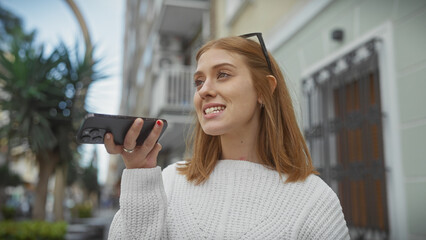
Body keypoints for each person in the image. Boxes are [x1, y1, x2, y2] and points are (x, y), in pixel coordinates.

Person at [105, 32, 350, 239]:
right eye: (199, 81)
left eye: (223, 74)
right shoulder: (168, 182)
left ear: (264, 90)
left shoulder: (314, 200)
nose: (204, 90)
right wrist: (138, 177)